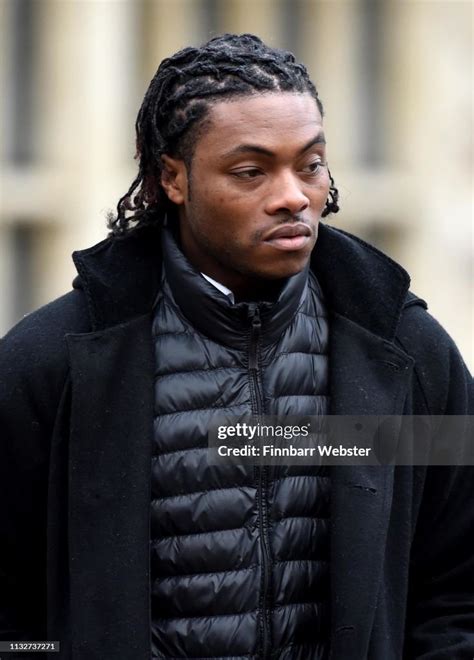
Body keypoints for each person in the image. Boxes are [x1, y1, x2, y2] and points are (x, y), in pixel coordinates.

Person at [0, 33, 472, 660]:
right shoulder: (50, 365)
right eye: (251, 171)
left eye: (310, 164)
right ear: (172, 178)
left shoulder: (405, 351)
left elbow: (459, 583)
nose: (293, 196)